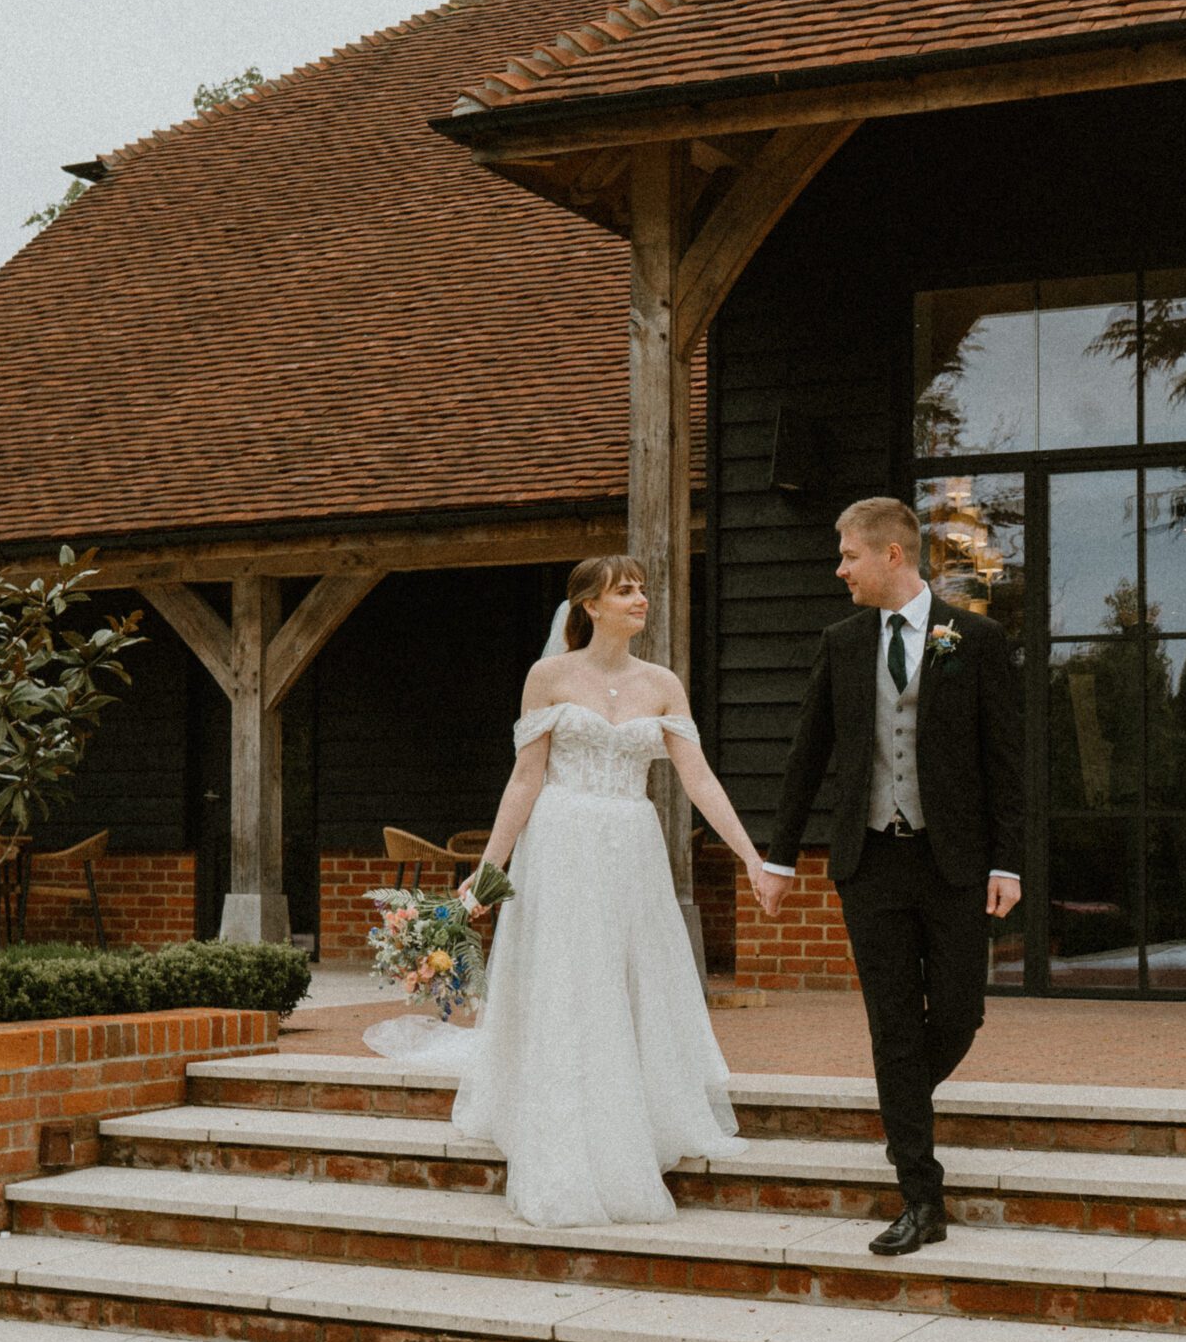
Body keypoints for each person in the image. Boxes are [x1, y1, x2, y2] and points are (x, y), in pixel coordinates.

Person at [366, 554, 768, 1228]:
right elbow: (525, 779)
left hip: (632, 848)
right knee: (569, 983)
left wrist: (751, 857)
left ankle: (633, 1112)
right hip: (559, 843)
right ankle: (566, 1133)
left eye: (642, 588)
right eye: (626, 589)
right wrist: (486, 875)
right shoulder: (547, 677)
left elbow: (699, 780)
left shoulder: (663, 684)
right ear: (589, 604)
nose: (641, 598)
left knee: (629, 980)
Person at [756, 497, 1023, 1256]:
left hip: (955, 866)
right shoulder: (841, 643)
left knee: (961, 1015)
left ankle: (900, 1097)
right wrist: (779, 858)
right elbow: (807, 753)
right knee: (893, 1026)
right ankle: (920, 1192)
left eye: (848, 555)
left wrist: (1007, 861)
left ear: (892, 556)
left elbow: (1007, 763)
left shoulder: (975, 637)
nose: (839, 569)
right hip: (869, 862)